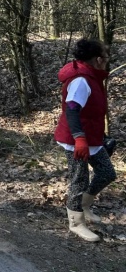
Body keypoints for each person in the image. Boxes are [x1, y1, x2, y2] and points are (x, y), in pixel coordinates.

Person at [54, 38, 117, 242]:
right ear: (98, 59)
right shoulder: (81, 80)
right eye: (106, 57)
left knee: (107, 173)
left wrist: (101, 137)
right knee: (79, 179)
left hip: (90, 137)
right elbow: (72, 110)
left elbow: (91, 112)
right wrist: (80, 139)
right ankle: (76, 222)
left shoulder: (92, 77)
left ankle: (84, 205)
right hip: (75, 140)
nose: (107, 60)